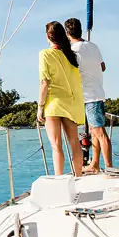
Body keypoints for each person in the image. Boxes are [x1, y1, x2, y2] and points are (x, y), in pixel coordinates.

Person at [36, 21, 85, 177]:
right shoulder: (71, 56)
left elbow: (44, 83)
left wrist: (40, 107)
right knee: (74, 142)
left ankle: (59, 179)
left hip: (53, 104)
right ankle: (78, 177)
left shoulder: (45, 54)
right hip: (71, 104)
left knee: (56, 145)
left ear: (48, 36)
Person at [65, 17, 112, 175]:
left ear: (67, 33)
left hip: (89, 96)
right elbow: (103, 67)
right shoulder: (93, 46)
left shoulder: (73, 50)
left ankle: (110, 168)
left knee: (100, 133)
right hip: (98, 93)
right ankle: (95, 164)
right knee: (93, 132)